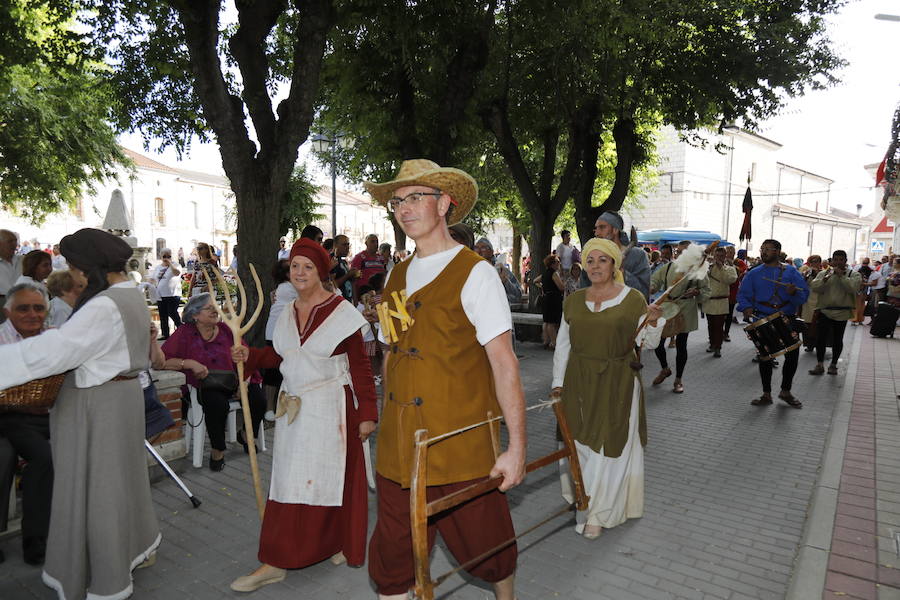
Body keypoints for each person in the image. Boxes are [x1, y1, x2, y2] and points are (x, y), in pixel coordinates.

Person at [363, 159, 525, 600]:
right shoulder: (396, 274)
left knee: (487, 546)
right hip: (400, 446)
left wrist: (516, 448)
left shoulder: (476, 273)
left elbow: (504, 362)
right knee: (393, 561)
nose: (404, 207)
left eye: (416, 197)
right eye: (397, 200)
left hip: (459, 440)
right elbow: (392, 347)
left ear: (445, 203)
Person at [0, 228, 160, 599]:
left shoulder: (105, 305)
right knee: (118, 488)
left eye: (73, 266)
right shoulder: (129, 293)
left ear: (88, 267)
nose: (71, 274)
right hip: (119, 401)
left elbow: (58, 351)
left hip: (97, 408)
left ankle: (107, 577)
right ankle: (125, 554)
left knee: (99, 493)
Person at [228, 238, 377, 592]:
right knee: (289, 481)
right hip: (294, 409)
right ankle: (276, 561)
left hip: (332, 408)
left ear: (322, 272)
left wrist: (368, 414)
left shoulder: (343, 315)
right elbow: (284, 357)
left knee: (329, 482)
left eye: (308, 267)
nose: (299, 272)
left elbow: (360, 367)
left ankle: (334, 542)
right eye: (295, 266)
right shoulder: (288, 311)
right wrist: (249, 357)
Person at [551, 238, 663, 538]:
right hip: (578, 380)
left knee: (607, 449)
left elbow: (646, 344)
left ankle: (597, 513)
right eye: (590, 260)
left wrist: (653, 322)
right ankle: (582, 498)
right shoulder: (573, 301)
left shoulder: (633, 299)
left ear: (615, 265)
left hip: (618, 382)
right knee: (580, 446)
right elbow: (563, 345)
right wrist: (558, 385)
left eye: (603, 260)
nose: (596, 266)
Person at [160, 293, 266, 471]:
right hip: (208, 383)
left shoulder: (226, 329)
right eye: (209, 308)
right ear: (195, 315)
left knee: (258, 399)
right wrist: (189, 363)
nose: (215, 311)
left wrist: (244, 383)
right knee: (216, 404)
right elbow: (163, 360)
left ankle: (247, 434)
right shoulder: (185, 333)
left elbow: (246, 356)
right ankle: (218, 449)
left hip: (237, 379)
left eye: (215, 306)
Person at [0, 283, 53, 565]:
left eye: (38, 308)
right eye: (23, 308)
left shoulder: (53, 338)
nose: (32, 314)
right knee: (44, 457)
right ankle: (35, 539)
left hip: (47, 413)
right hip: (10, 416)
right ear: (7, 311)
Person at [736, 238, 809, 409]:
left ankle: (786, 391)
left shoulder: (791, 272)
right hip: (762, 317)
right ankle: (766, 394)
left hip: (786, 318)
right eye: (762, 249)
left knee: (792, 356)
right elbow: (743, 294)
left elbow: (803, 295)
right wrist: (746, 308)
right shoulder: (754, 273)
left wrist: (793, 293)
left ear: (777, 251)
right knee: (765, 357)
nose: (763, 251)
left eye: (768, 249)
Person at [649, 243, 710, 393]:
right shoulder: (669, 267)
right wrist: (651, 288)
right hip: (668, 306)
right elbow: (655, 281)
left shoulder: (698, 269)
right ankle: (665, 369)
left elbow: (706, 290)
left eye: (684, 252)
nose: (679, 254)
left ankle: (678, 380)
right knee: (657, 341)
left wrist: (696, 292)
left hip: (686, 308)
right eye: (678, 251)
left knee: (681, 345)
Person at [808, 250, 861, 376]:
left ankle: (833, 364)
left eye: (840, 260)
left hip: (842, 311)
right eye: (835, 260)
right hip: (825, 310)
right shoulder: (823, 273)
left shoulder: (854, 274)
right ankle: (819, 364)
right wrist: (825, 279)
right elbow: (815, 287)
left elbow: (852, 288)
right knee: (820, 339)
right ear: (831, 261)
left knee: (838, 339)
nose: (837, 262)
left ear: (845, 261)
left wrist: (841, 276)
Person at [262, 259, 297, 421]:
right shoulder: (289, 288)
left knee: (277, 370)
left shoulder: (283, 289)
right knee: (273, 370)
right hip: (279, 333)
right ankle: (270, 408)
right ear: (286, 274)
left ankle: (276, 407)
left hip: (279, 332)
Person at [590, 212, 650, 299]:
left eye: (602, 227)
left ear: (615, 230)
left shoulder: (637, 255)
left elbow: (643, 293)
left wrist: (622, 271)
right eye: (596, 228)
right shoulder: (592, 257)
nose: (597, 233)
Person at [703, 246, 737, 358]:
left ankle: (718, 347)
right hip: (709, 300)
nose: (719, 258)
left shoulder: (730, 268)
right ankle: (712, 344)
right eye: (717, 255)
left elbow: (731, 280)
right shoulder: (708, 267)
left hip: (721, 301)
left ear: (725, 256)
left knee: (719, 326)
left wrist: (721, 267)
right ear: (714, 255)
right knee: (710, 325)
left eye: (721, 256)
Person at [475, 237, 523, 304]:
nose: (479, 251)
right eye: (476, 248)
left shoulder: (501, 270)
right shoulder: (471, 271)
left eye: (483, 248)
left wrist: (506, 282)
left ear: (491, 252)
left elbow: (518, 296)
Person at [150, 248, 182, 339]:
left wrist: (170, 264)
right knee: (163, 315)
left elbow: (177, 273)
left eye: (169, 256)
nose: (166, 258)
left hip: (172, 294)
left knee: (172, 313)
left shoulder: (176, 265)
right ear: (161, 257)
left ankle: (181, 330)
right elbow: (153, 279)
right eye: (164, 256)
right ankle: (165, 334)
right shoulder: (158, 267)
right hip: (160, 295)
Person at [350, 234, 388, 299]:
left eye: (377, 242)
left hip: (380, 293)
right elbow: (353, 279)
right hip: (365, 294)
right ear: (366, 243)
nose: (375, 244)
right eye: (372, 241)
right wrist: (355, 299)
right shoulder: (359, 257)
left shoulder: (381, 258)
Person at [539, 253, 565, 349]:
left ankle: (546, 341)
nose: (559, 263)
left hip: (546, 298)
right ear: (552, 264)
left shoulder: (545, 273)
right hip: (553, 299)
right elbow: (561, 287)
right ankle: (554, 343)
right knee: (552, 323)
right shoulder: (554, 273)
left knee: (546, 321)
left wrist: (543, 287)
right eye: (558, 262)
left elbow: (535, 281)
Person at [798, 255, 823, 352]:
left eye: (816, 261)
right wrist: (805, 276)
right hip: (807, 301)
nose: (814, 263)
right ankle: (809, 345)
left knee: (817, 324)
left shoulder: (823, 273)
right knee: (807, 323)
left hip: (819, 300)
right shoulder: (806, 272)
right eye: (812, 261)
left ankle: (818, 344)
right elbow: (801, 284)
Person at [723, 246, 747, 342]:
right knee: (720, 315)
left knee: (729, 315)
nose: (730, 253)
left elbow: (744, 270)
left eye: (732, 252)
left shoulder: (738, 261)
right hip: (723, 290)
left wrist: (736, 269)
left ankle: (726, 333)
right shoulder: (721, 261)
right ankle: (717, 333)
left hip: (733, 291)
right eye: (728, 252)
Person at [330, 235, 359, 302]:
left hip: (348, 301)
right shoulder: (332, 261)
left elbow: (351, 282)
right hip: (338, 303)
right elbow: (332, 285)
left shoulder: (344, 262)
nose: (347, 247)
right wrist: (348, 275)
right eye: (344, 245)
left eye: (348, 244)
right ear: (335, 245)